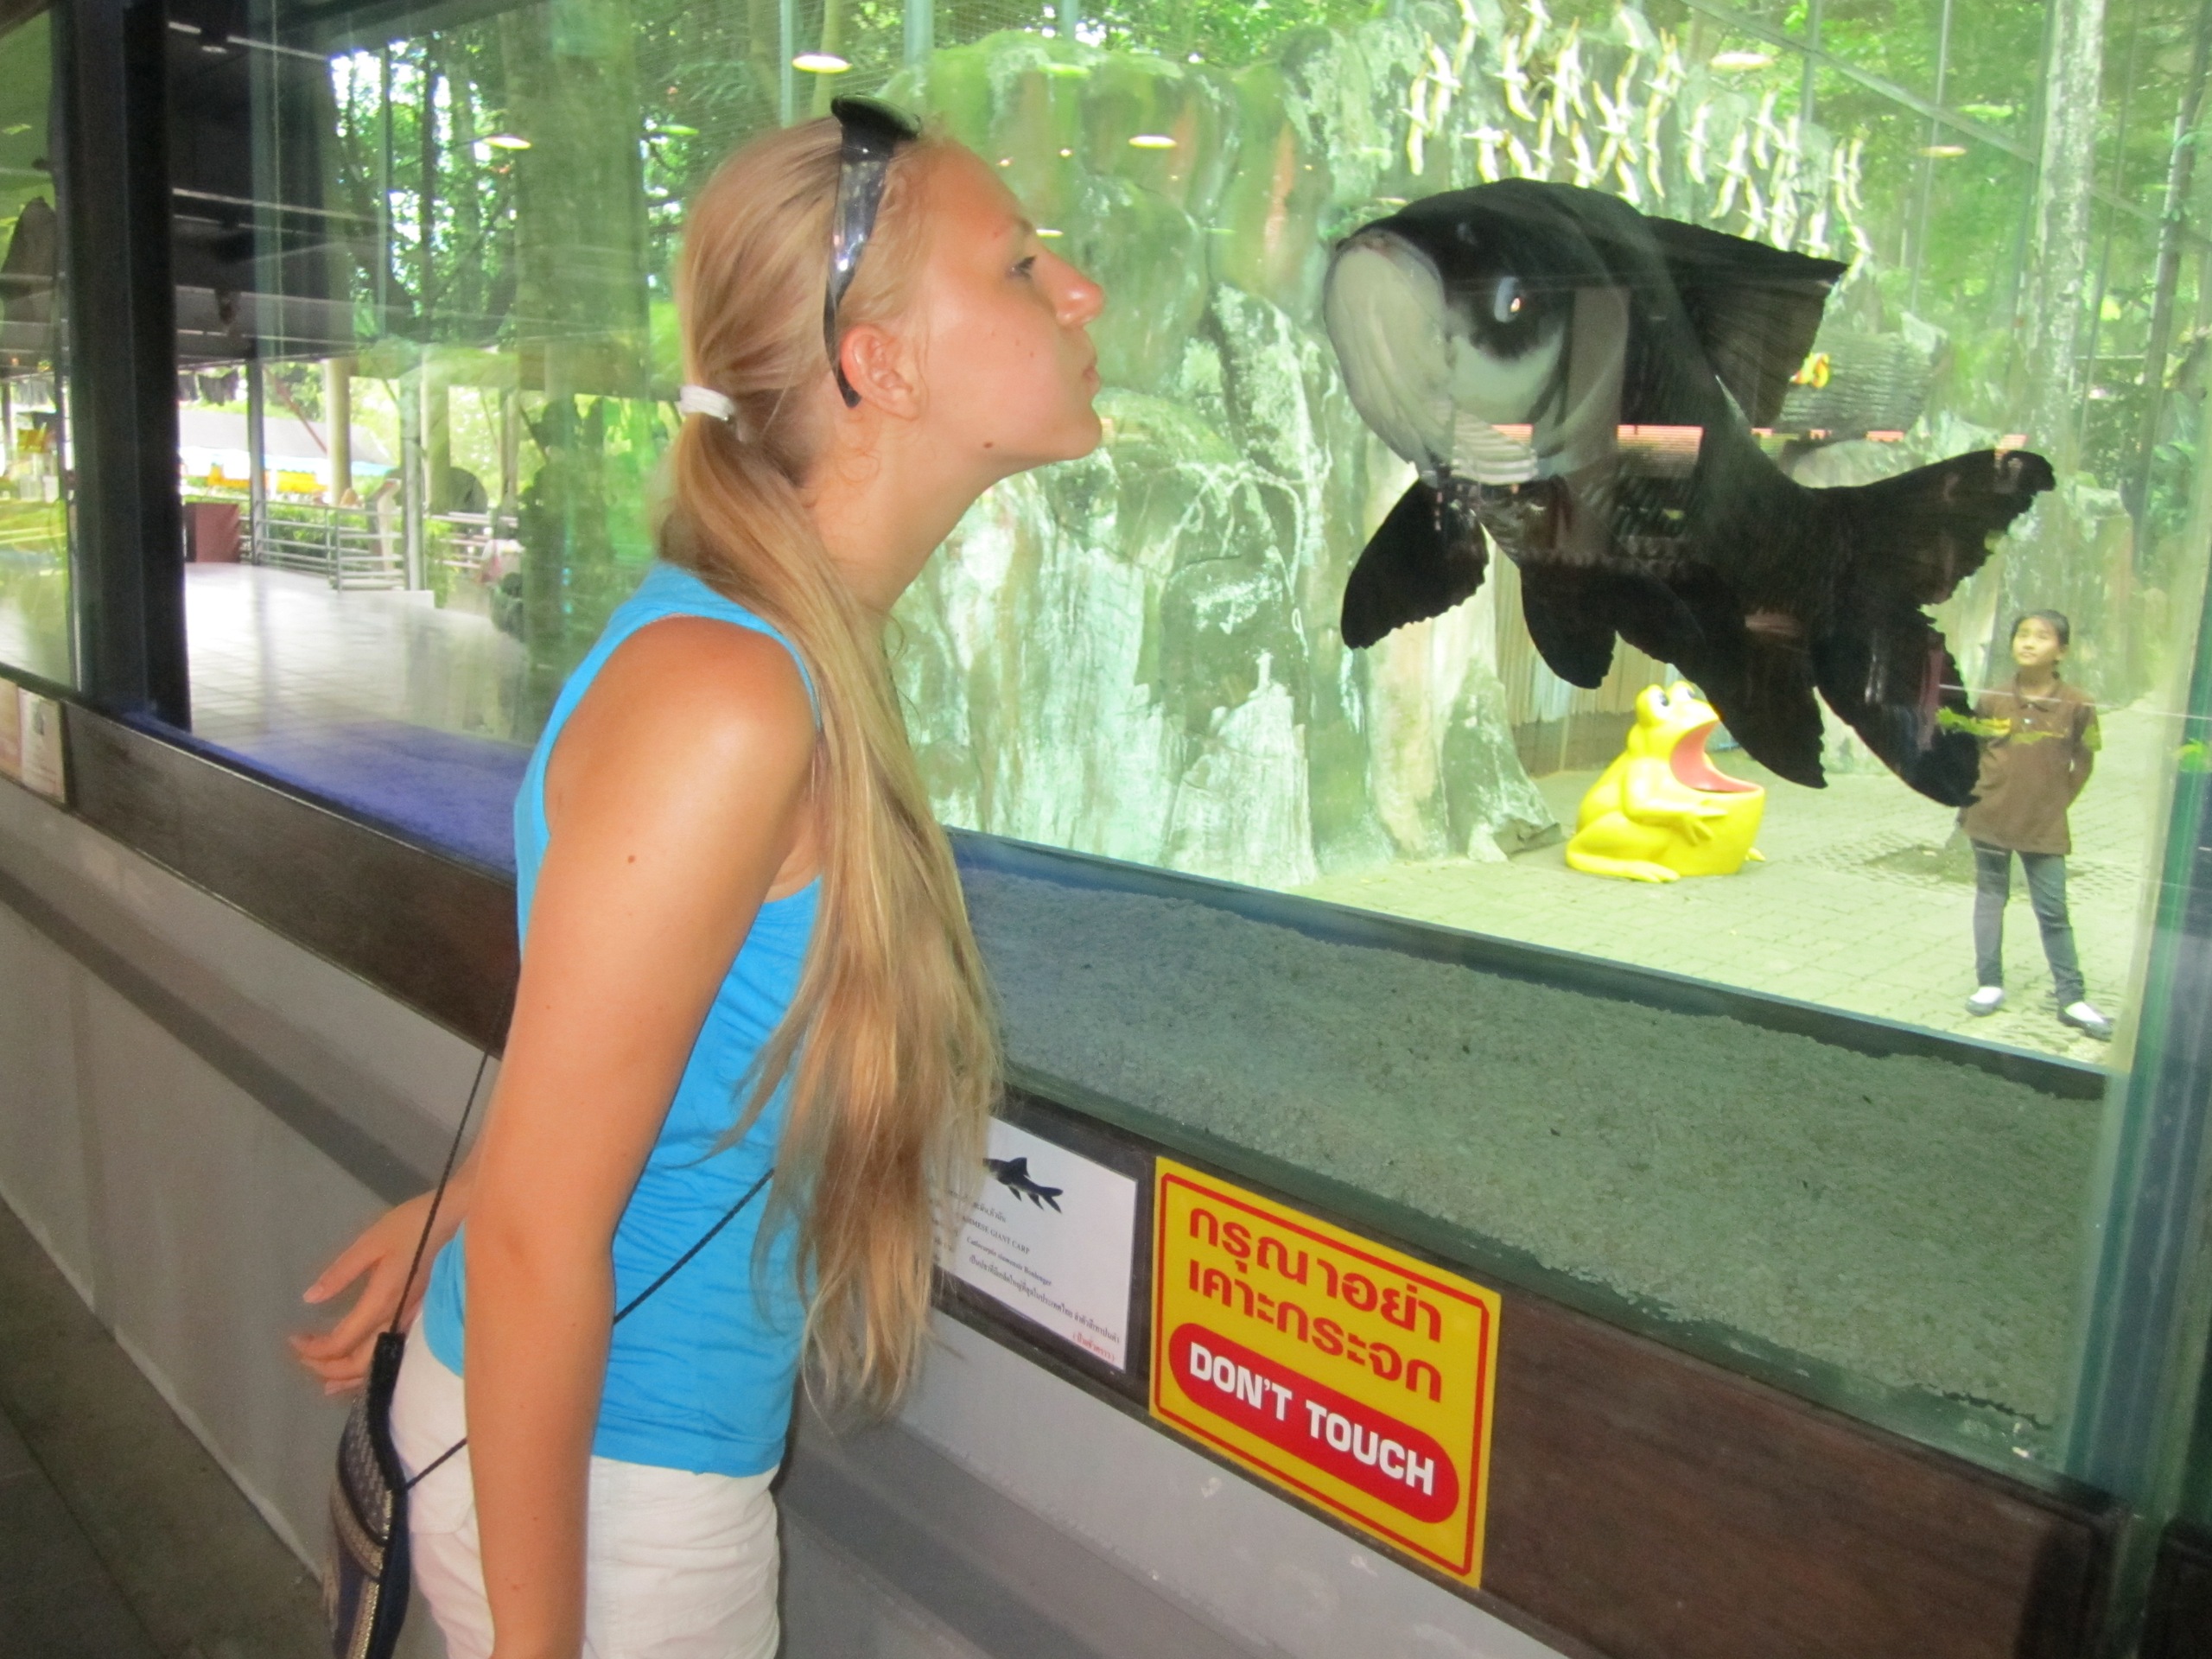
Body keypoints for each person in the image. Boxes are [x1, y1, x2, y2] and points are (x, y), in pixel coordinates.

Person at [289, 99, 1105, 1659]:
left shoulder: (774, 646)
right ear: (880, 365)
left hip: (614, 1472)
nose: (1081, 292)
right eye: (1018, 264)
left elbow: (646, 1057)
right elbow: (543, 1245)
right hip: (610, 1512)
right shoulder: (731, 697)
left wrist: (478, 1197)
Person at [1960, 609, 2111, 1040]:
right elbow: (1974, 750)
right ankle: (1989, 983)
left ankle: (2071, 997)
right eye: (2022, 634)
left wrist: (2056, 803)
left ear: (2062, 650)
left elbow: (2085, 760)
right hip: (1989, 817)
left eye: (2041, 637)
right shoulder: (1992, 698)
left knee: (2053, 910)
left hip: (2044, 826)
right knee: (1991, 898)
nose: (2028, 643)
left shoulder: (2078, 704)